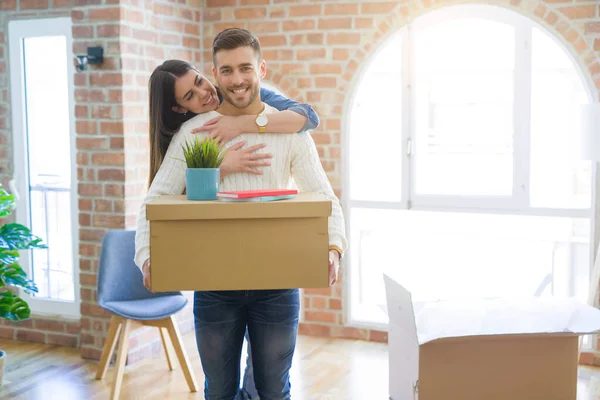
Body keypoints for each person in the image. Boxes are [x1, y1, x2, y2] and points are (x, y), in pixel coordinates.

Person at [138, 27, 346, 399]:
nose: (237, 79)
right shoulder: (192, 133)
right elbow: (155, 200)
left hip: (278, 286)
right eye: (227, 71)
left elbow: (322, 194)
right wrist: (146, 256)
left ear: (261, 69)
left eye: (244, 68)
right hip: (215, 286)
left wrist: (334, 247)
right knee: (218, 391)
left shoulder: (290, 129)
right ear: (215, 75)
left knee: (273, 388)